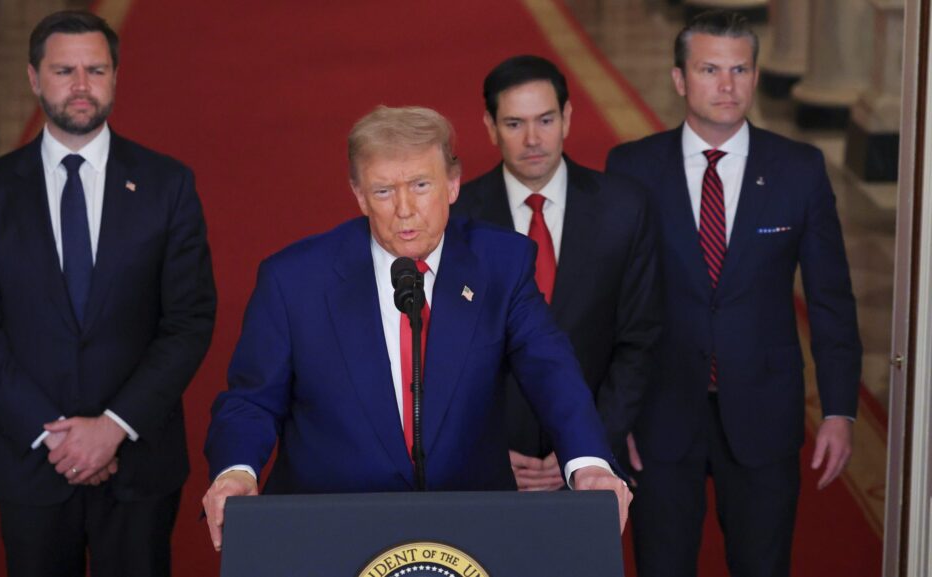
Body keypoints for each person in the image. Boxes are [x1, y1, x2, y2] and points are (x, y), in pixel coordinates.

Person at [202, 105, 632, 551]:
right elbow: (251, 402)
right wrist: (235, 472)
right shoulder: (294, 280)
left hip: (471, 534)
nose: (405, 210)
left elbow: (552, 372)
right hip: (329, 533)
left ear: (452, 183)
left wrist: (589, 463)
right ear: (359, 195)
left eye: (421, 185)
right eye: (384, 191)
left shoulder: (501, 265)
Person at [0, 10, 216, 577]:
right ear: (32, 78)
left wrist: (113, 427)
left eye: (95, 70)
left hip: (140, 464)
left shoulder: (168, 185)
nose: (80, 86)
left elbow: (188, 320)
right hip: (32, 463)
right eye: (63, 70)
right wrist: (60, 441)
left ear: (115, 76)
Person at [605, 10, 862, 577]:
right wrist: (612, 419)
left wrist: (841, 410)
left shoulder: (800, 170)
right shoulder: (631, 169)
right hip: (659, 417)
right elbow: (609, 304)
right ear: (679, 79)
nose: (727, 86)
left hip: (764, 412)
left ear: (754, 75)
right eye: (710, 69)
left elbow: (831, 300)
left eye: (740, 69)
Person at [453, 55, 662, 491]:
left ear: (567, 118)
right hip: (490, 467)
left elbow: (638, 340)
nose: (533, 139)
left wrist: (587, 449)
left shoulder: (625, 208)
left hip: (593, 468)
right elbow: (444, 353)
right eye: (514, 124)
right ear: (489, 127)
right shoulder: (457, 221)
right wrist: (484, 451)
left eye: (545, 120)